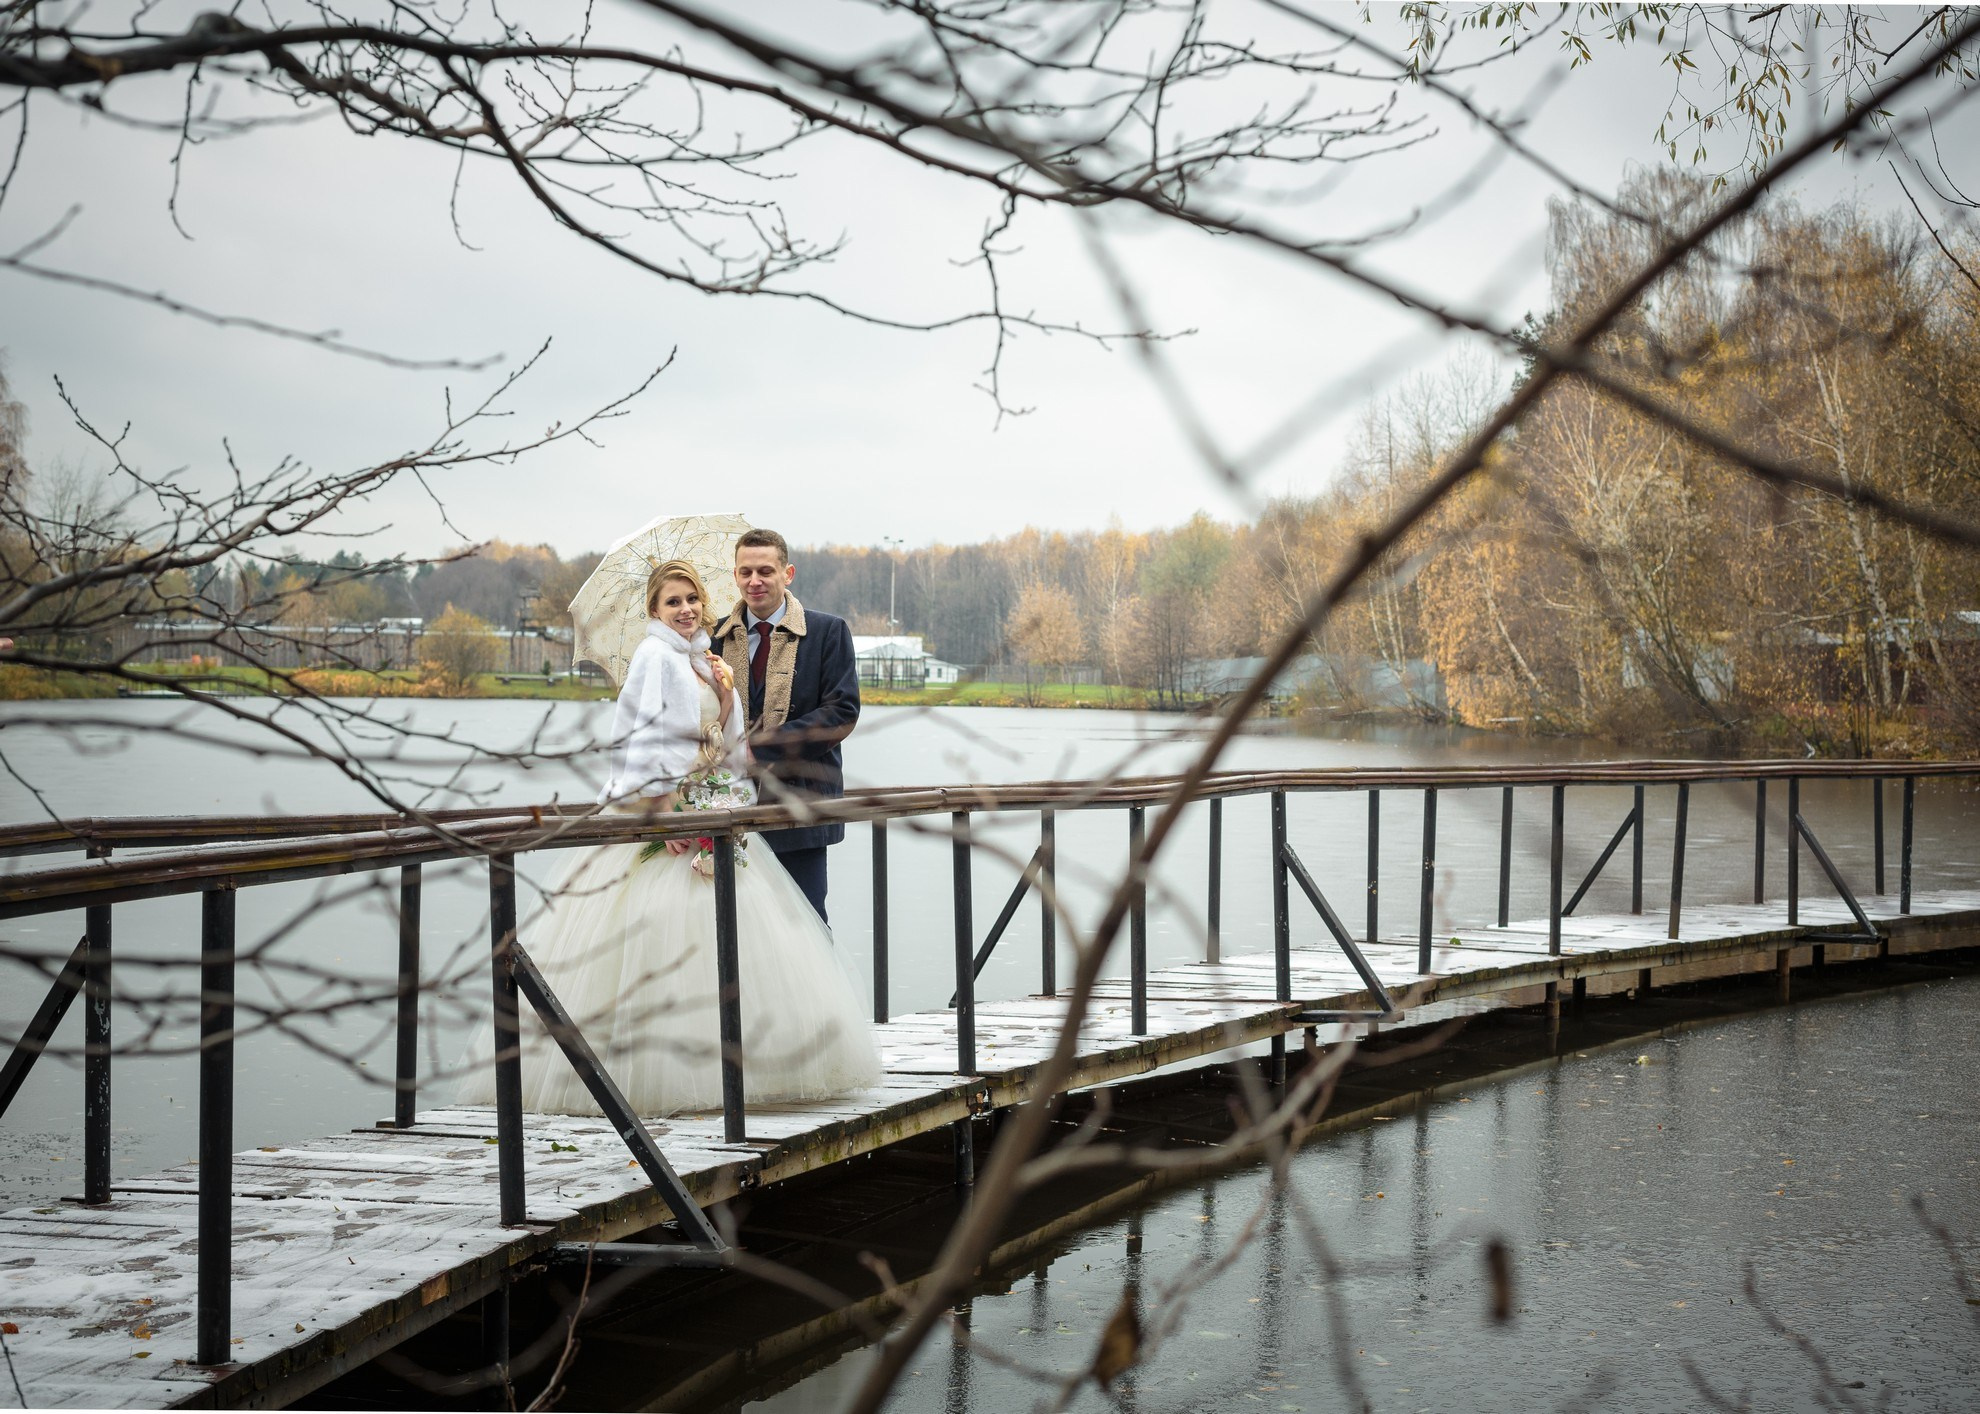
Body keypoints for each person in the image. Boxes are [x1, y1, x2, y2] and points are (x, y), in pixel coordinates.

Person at [455, 558, 879, 1117]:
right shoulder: (654, 657)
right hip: (672, 819)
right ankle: (653, 1076)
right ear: (654, 612)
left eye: (691, 600)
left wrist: (725, 782)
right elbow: (634, 738)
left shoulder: (704, 659)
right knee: (664, 941)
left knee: (735, 941)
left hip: (714, 813)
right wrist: (661, 805)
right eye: (672, 603)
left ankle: (746, 1069)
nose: (685, 610)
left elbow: (724, 746)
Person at [710, 528, 860, 922]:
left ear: (787, 573)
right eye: (745, 572)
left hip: (799, 810)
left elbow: (841, 712)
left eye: (765, 571)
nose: (754, 581)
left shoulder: (828, 631)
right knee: (735, 927)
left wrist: (757, 748)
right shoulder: (714, 637)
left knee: (806, 925)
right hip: (727, 810)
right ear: (736, 576)